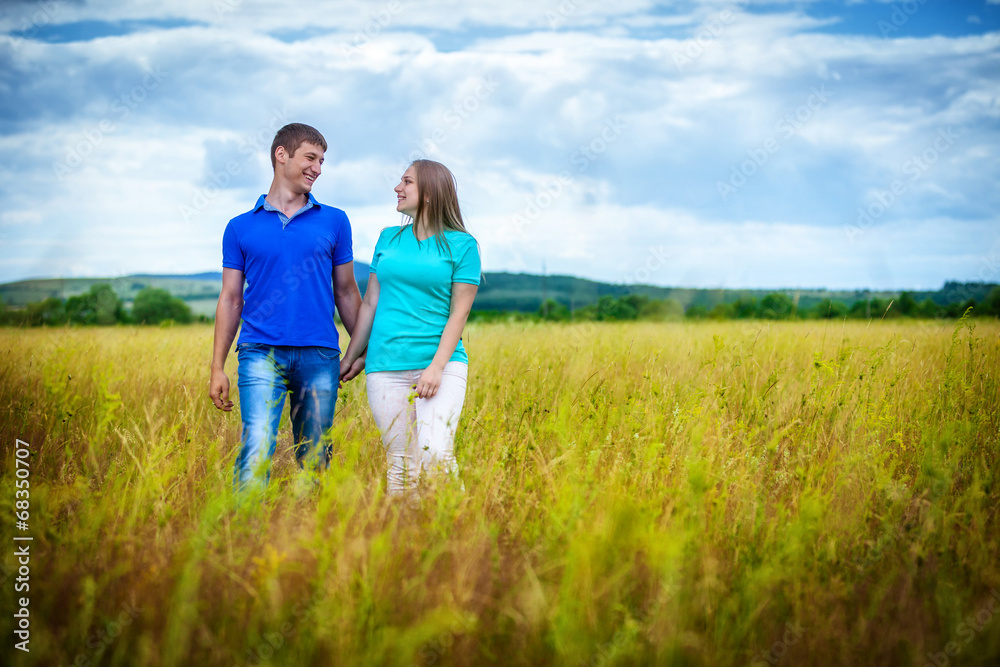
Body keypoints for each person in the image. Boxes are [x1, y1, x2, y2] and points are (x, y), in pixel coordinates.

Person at [209, 122, 365, 491]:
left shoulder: (335, 220)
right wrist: (217, 366)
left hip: (320, 354)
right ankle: (243, 536)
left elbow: (346, 291)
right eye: (311, 158)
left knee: (315, 457)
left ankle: (312, 537)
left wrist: (361, 349)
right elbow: (231, 299)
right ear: (282, 155)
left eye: (322, 161)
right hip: (259, 352)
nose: (318, 169)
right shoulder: (239, 227)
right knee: (257, 447)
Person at [339, 159, 480, 496]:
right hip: (385, 366)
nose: (397, 188)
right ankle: (407, 542)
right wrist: (352, 356)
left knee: (436, 454)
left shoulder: (462, 245)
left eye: (406, 182)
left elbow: (457, 316)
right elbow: (371, 303)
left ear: (429, 193)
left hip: (439, 365)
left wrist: (436, 367)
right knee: (401, 463)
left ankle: (459, 533)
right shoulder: (388, 238)